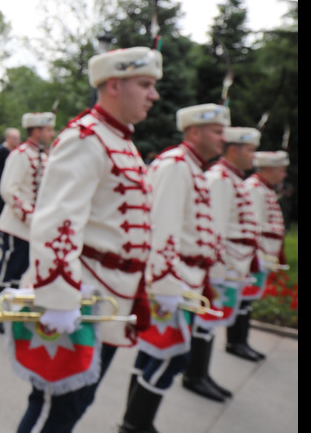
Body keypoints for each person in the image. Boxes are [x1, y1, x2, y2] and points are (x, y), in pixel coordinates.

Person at [17, 47, 161, 433]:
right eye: (145, 85)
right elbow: (58, 223)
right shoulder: (86, 138)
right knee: (55, 407)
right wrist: (59, 298)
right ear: (114, 85)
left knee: (74, 407)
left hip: (108, 302)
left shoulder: (121, 142)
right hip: (81, 302)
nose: (154, 95)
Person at [120, 104, 229, 432]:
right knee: (170, 357)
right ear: (195, 132)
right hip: (173, 280)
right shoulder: (176, 166)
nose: (224, 139)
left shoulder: (191, 167)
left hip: (186, 278)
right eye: (217, 132)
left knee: (154, 355)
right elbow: (161, 228)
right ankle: (136, 424)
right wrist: (165, 285)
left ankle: (134, 422)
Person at [185, 126, 260, 399]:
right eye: (250, 149)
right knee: (205, 321)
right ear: (233, 150)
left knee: (211, 322)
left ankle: (201, 373)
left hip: (229, 265)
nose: (255, 156)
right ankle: (194, 375)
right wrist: (212, 270)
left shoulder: (232, 179)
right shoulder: (219, 179)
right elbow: (212, 228)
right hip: (219, 267)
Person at [0, 112, 55, 328]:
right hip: (16, 224)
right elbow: (8, 190)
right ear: (36, 131)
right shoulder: (20, 155)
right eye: (48, 130)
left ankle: (10, 313)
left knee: (19, 272)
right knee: (7, 269)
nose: (51, 134)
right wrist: (29, 215)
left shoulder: (43, 157)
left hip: (32, 228)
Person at [235, 150, 289, 360]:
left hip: (264, 255)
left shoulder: (264, 189)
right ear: (269, 169)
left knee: (247, 301)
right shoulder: (255, 189)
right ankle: (236, 342)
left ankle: (242, 341)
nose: (284, 175)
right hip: (255, 256)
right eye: (281, 170)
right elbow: (253, 226)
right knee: (243, 301)